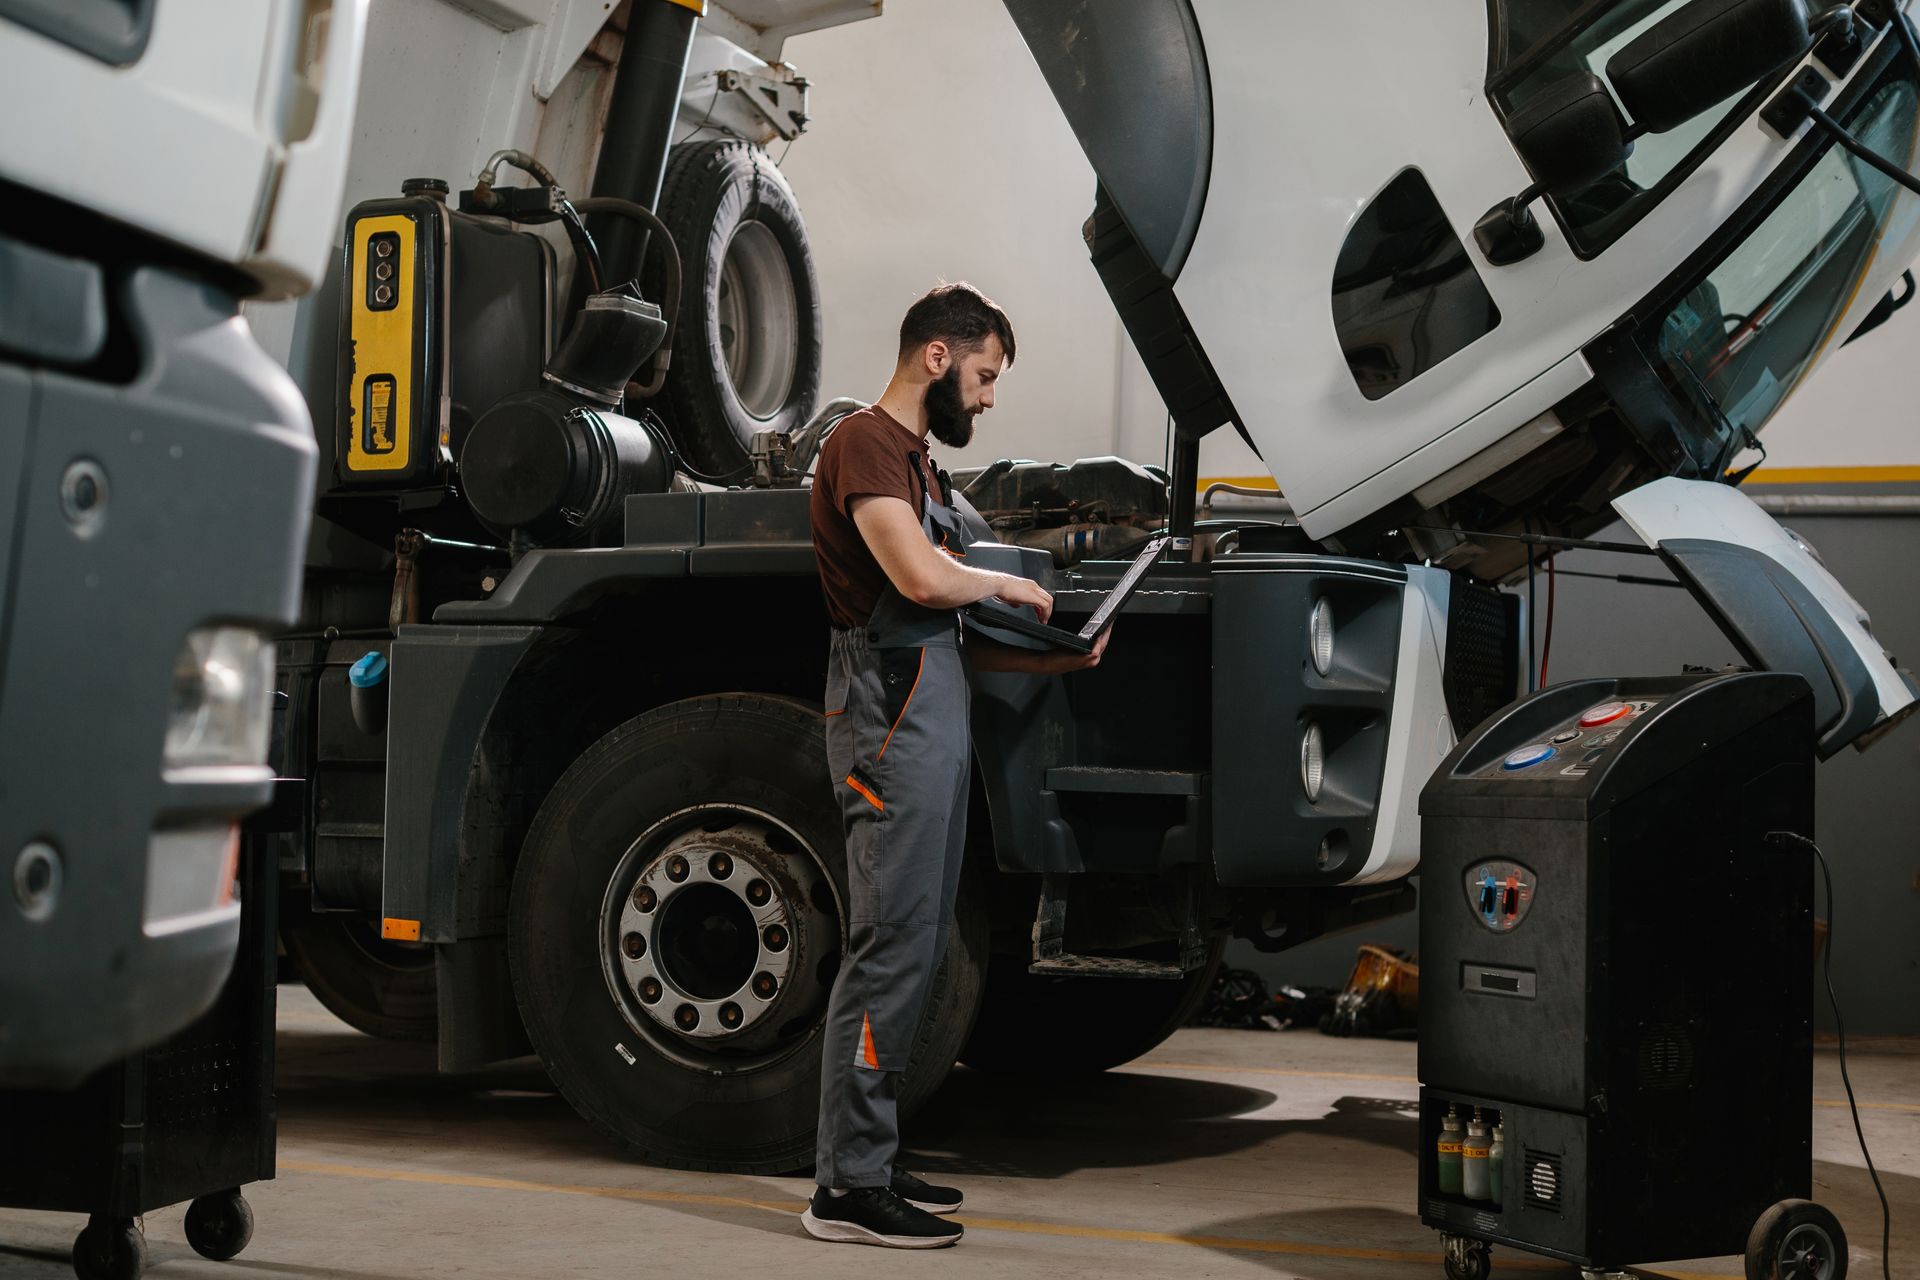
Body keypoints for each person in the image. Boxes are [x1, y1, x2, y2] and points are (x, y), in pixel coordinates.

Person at [802, 283, 1111, 1249]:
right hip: (887, 718)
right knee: (888, 943)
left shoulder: (921, 468)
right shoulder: (862, 444)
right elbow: (920, 580)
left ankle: (872, 1156)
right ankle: (845, 1190)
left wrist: (1053, 652)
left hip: (928, 704)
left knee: (922, 942)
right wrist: (1007, 579)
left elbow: (954, 632)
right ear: (936, 357)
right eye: (982, 376)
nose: (986, 398)